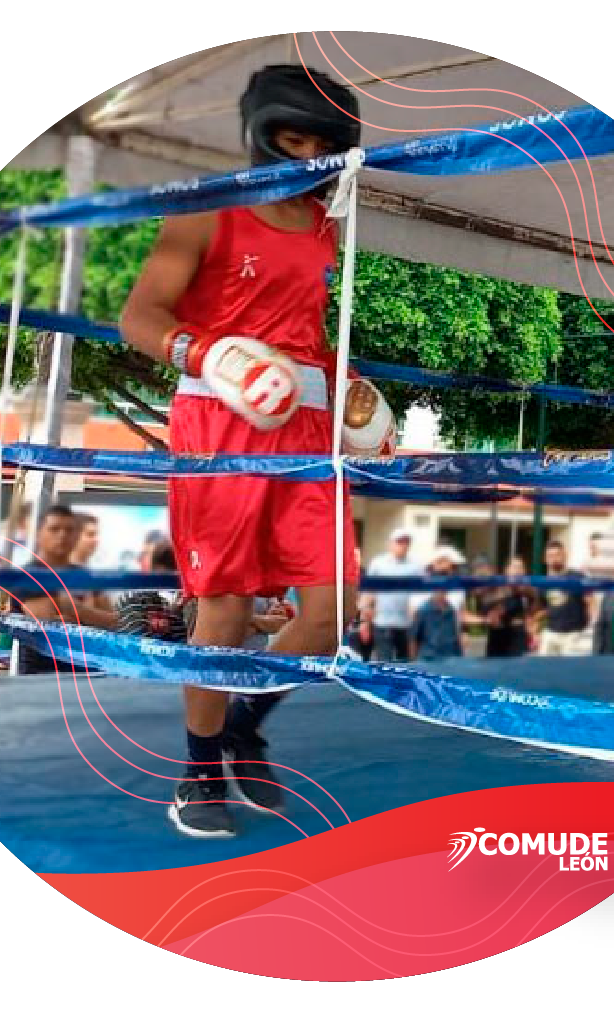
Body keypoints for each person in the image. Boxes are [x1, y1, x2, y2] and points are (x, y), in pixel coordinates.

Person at [120, 64, 381, 839]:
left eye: (321, 145)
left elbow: (307, 332)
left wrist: (350, 389)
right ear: (262, 132)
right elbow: (140, 315)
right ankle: (198, 770)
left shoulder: (325, 226)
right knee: (226, 604)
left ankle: (240, 724)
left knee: (332, 611)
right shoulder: (206, 208)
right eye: (293, 139)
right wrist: (207, 354)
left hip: (305, 427)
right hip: (219, 419)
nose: (306, 155)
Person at [9, 505, 118, 674]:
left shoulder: (85, 575)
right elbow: (48, 627)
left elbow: (113, 622)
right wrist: (89, 616)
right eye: (54, 529)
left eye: (69, 530)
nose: (62, 535)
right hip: (41, 673)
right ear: (39, 534)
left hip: (86, 671)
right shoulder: (28, 576)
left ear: (76, 535)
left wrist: (75, 610)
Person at [367, 530, 424, 663]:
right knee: (384, 663)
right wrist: (364, 621)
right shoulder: (378, 563)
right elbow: (369, 591)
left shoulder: (416, 566)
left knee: (405, 664)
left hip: (406, 624)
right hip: (382, 623)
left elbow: (420, 593)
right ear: (390, 544)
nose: (403, 545)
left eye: (406, 542)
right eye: (399, 542)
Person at [537, 540, 592, 656]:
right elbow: (542, 608)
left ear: (565, 555)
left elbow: (590, 602)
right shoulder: (543, 582)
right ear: (545, 559)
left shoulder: (577, 576)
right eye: (550, 556)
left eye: (557, 554)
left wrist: (589, 625)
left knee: (569, 667)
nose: (554, 559)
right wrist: (536, 630)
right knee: (543, 666)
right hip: (550, 632)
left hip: (572, 634)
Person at [473, 556, 536, 658]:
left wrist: (533, 630)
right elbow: (483, 604)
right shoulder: (496, 586)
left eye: (520, 567)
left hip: (517, 637)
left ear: (524, 571)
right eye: (514, 567)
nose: (517, 570)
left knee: (517, 666)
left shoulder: (527, 589)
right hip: (497, 636)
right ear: (507, 570)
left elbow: (534, 609)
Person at [411, 590, 463, 661]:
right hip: (428, 657)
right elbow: (413, 637)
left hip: (450, 656)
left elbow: (455, 634)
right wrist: (414, 661)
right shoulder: (423, 611)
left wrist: (460, 656)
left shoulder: (451, 610)